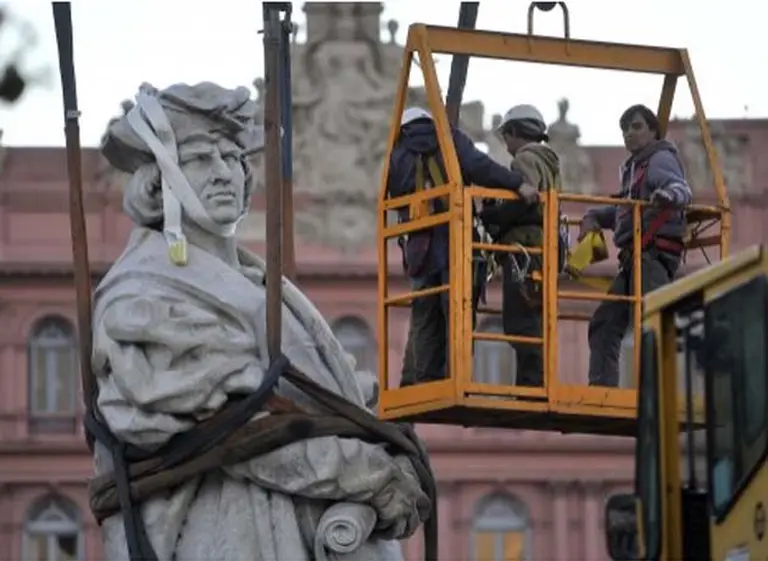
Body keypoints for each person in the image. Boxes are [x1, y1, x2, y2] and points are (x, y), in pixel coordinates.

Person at [90, 82, 430, 561]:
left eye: (232, 158)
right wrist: (371, 474)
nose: (223, 173)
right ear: (155, 182)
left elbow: (324, 393)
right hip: (229, 533)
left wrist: (386, 435)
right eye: (200, 159)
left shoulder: (261, 283)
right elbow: (239, 431)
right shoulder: (142, 297)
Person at [390, 107, 538, 387]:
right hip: (455, 244)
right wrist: (517, 184)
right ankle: (458, 377)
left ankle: (428, 381)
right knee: (457, 311)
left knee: (425, 317)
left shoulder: (397, 152)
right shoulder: (448, 139)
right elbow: (480, 167)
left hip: (419, 249)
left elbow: (394, 194)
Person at [580, 104, 692, 387]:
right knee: (604, 324)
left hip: (653, 257)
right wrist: (593, 216)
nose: (629, 133)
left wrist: (667, 196)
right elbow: (623, 211)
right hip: (634, 261)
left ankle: (658, 392)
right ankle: (602, 389)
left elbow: (681, 189)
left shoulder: (660, 159)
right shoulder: (634, 169)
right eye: (625, 129)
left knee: (652, 324)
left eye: (636, 126)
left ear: (653, 131)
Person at [480, 104, 561, 387]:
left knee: (518, 319)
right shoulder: (549, 161)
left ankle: (530, 385)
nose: (505, 143)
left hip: (523, 250)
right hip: (542, 247)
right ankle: (533, 382)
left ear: (515, 131)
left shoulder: (524, 159)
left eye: (506, 136)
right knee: (533, 316)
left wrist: (495, 217)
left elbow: (528, 199)